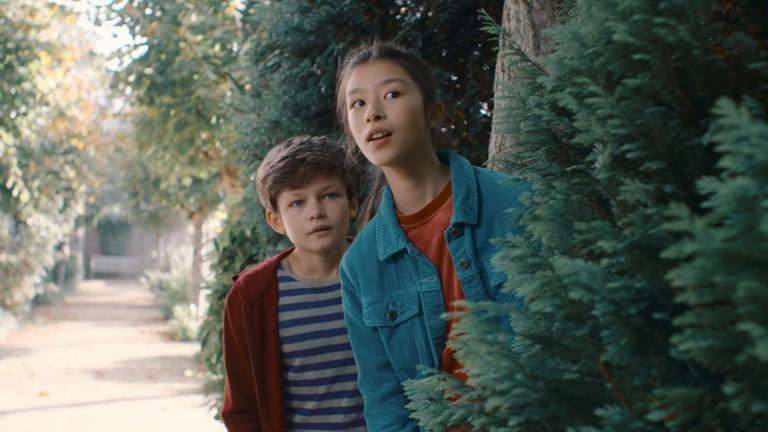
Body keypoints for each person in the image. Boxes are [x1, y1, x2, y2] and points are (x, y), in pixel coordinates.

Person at [336, 42, 528, 431]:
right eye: (357, 103)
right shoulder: (359, 266)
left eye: (392, 94)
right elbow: (386, 404)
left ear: (433, 112)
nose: (373, 113)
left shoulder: (516, 202)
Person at [221, 135, 366, 432]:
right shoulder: (252, 296)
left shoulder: (385, 272)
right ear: (275, 220)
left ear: (353, 203)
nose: (316, 212)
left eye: (329, 196)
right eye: (297, 202)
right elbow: (242, 410)